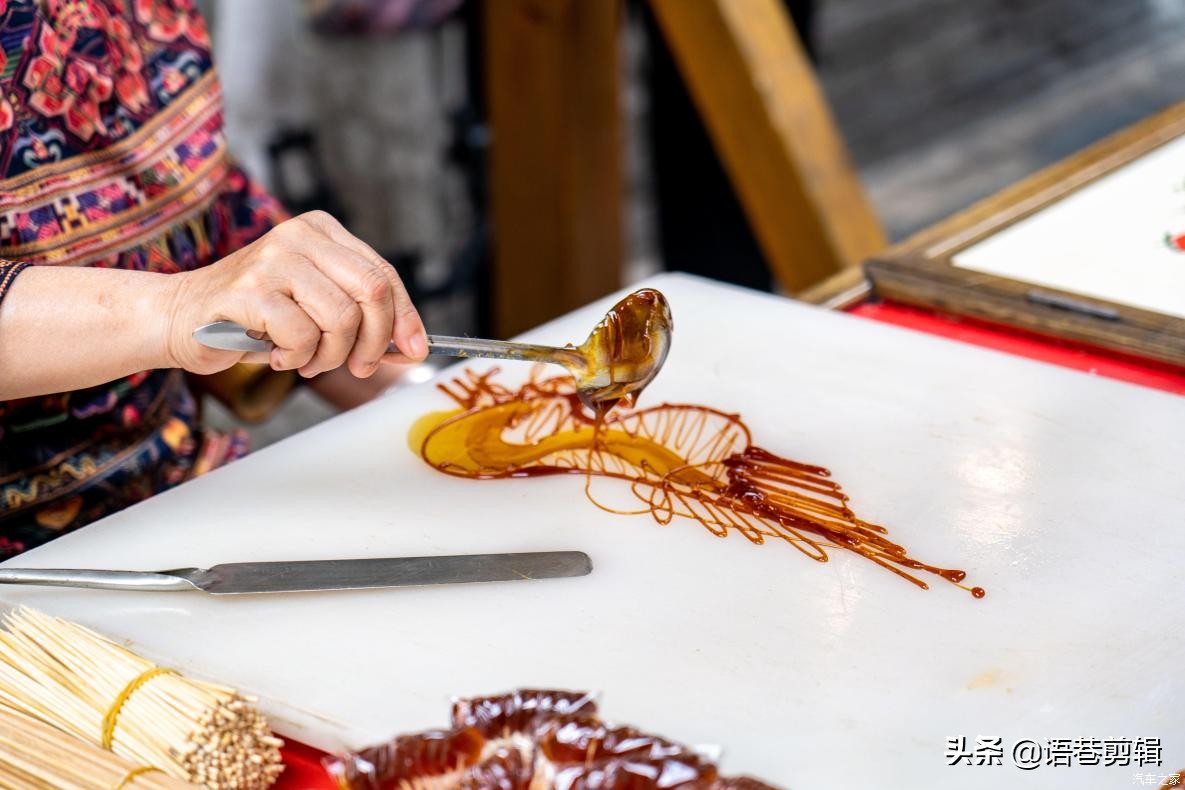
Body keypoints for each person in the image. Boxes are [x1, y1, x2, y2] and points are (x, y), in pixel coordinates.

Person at [0, 0, 427, 557]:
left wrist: (440, 395)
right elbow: (198, 300)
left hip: (174, 503)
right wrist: (178, 309)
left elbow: (212, 216)